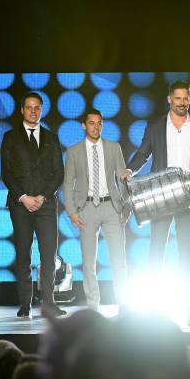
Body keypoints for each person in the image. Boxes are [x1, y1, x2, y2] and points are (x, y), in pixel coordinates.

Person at [122, 81, 190, 293]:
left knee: (186, 250)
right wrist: (129, 170)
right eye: (178, 98)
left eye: (186, 99)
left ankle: (186, 298)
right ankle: (153, 300)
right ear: (169, 99)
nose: (182, 103)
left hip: (189, 194)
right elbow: (143, 153)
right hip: (161, 195)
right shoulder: (155, 126)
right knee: (156, 247)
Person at [1, 92, 66, 318]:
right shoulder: (10, 137)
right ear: (22, 110)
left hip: (46, 205)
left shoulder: (51, 137)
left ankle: (49, 303)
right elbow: (6, 173)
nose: (33, 111)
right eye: (29, 107)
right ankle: (25, 305)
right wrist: (24, 197)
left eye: (37, 107)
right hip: (20, 205)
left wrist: (42, 196)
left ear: (41, 109)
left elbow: (59, 173)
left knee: (49, 256)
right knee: (23, 256)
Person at [63, 109, 129, 308]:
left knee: (119, 259)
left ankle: (124, 305)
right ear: (84, 125)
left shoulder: (113, 147)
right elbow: (67, 184)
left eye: (99, 123)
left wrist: (125, 207)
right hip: (87, 208)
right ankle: (93, 306)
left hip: (111, 207)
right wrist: (72, 211)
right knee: (89, 262)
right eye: (91, 123)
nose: (96, 126)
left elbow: (123, 179)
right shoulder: (73, 151)